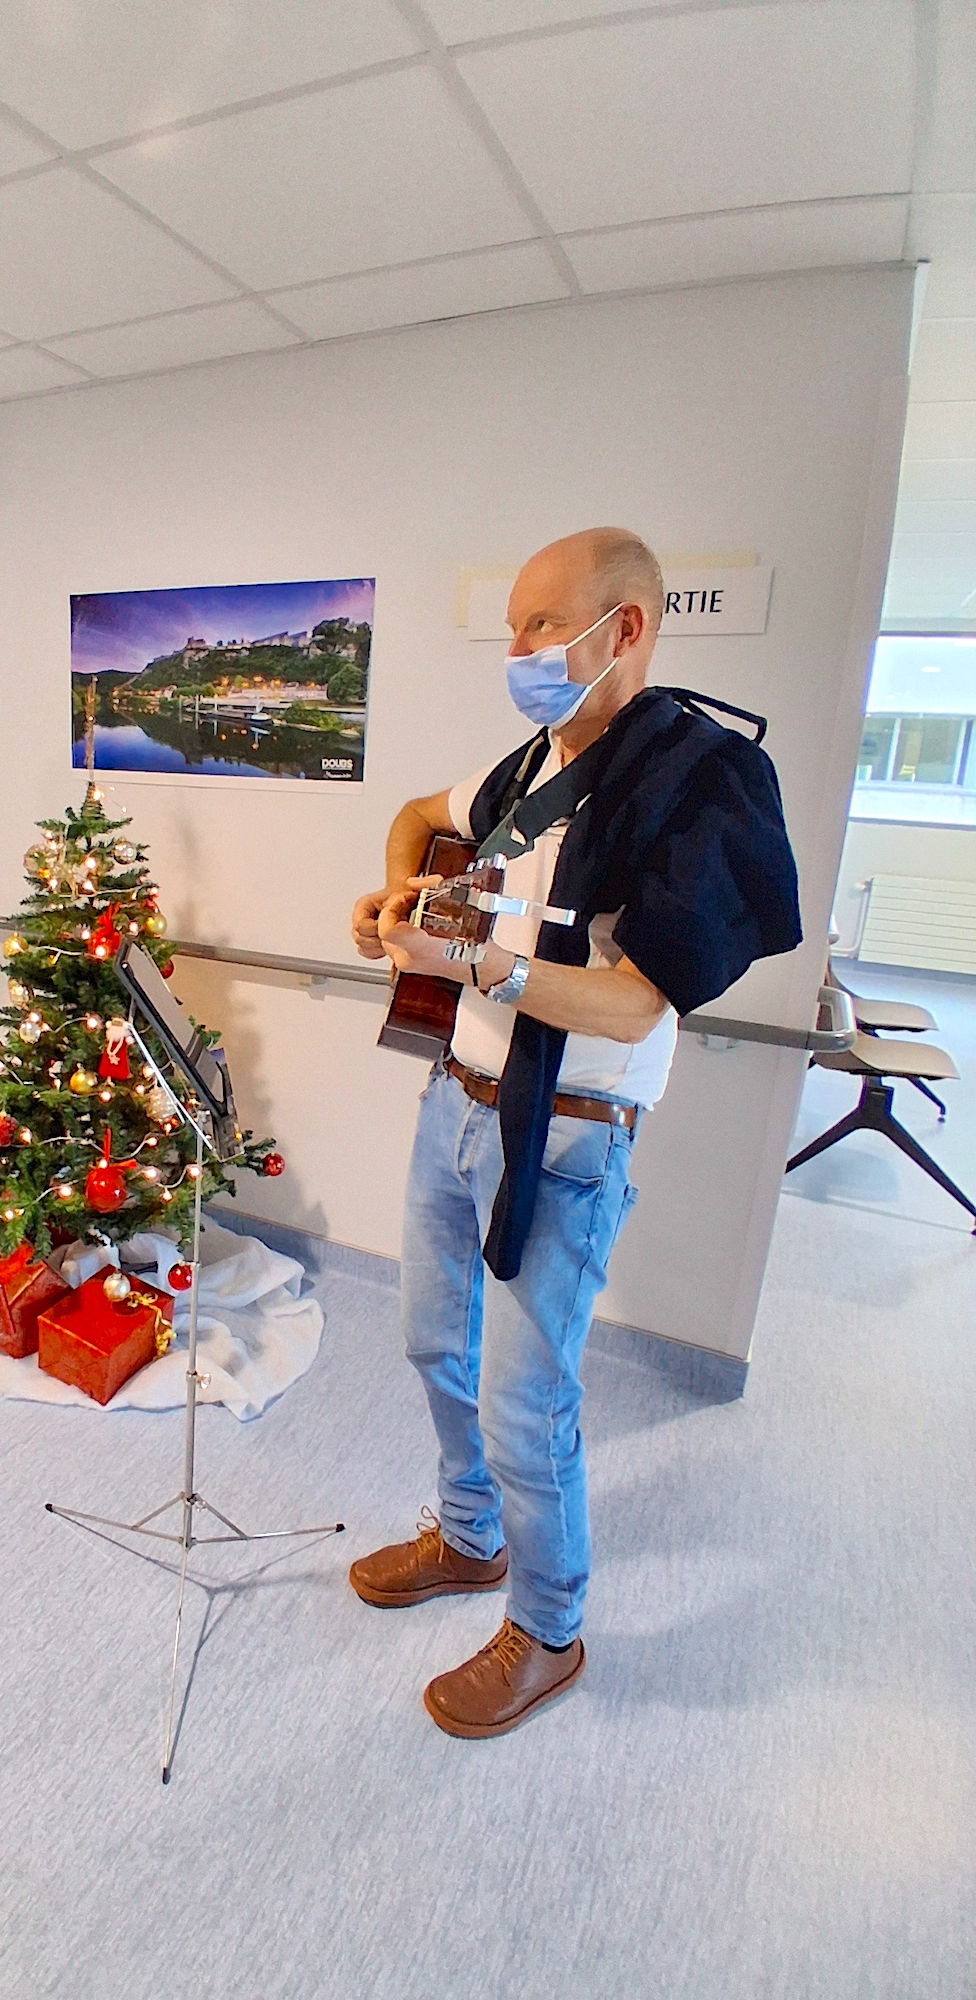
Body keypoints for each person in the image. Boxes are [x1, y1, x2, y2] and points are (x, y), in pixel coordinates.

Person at [348, 527, 800, 1738]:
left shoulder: (702, 782)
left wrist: (476, 963)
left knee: (524, 1401)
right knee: (429, 1341)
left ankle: (549, 1629)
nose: (519, 649)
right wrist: (402, 894)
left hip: (567, 1134)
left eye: (542, 625)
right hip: (455, 1100)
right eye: (515, 627)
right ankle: (470, 1534)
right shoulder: (524, 769)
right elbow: (412, 814)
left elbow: (634, 1000)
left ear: (626, 627)